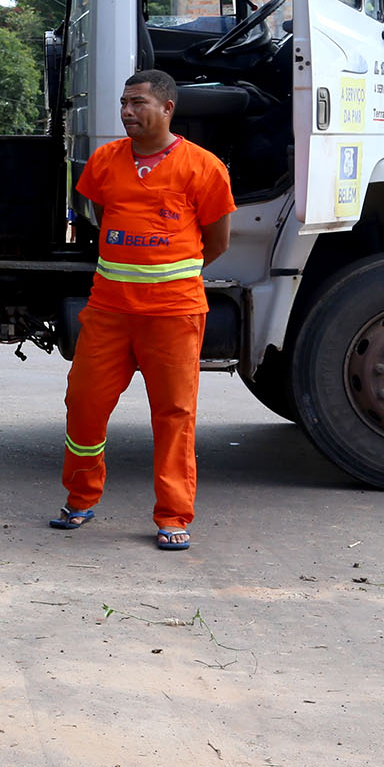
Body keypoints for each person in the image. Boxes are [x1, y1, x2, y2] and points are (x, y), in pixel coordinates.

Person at [53, 69, 235, 550]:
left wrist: (167, 271)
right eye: (123, 103)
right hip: (108, 313)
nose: (127, 112)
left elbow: (215, 243)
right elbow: (97, 219)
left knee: (174, 415)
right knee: (84, 406)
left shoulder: (204, 167)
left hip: (174, 315)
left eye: (138, 103)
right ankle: (80, 499)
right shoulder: (105, 161)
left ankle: (174, 515)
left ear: (168, 108)